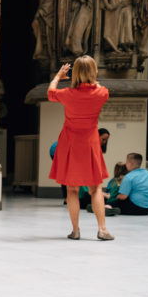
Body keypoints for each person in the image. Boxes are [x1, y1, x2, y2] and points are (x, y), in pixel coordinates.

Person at [47, 56, 114, 240]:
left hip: (70, 142)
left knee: (72, 190)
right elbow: (98, 86)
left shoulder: (67, 93)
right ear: (94, 72)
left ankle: (75, 230)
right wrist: (92, 80)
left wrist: (58, 77)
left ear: (74, 72)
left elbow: (51, 93)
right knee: (96, 188)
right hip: (90, 142)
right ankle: (102, 229)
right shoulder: (102, 93)